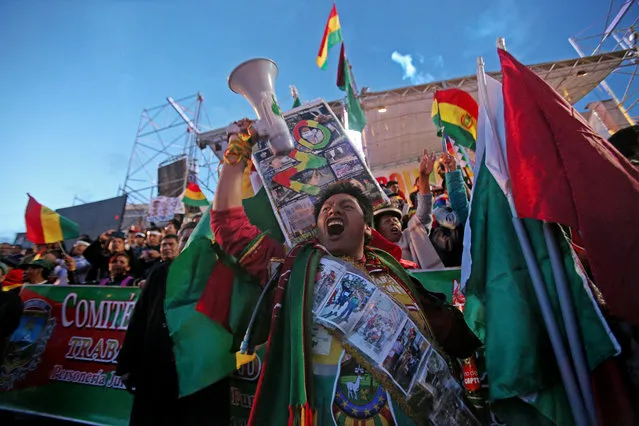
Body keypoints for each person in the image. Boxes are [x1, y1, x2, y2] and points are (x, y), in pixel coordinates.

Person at [205, 120, 481, 425]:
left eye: (346, 206)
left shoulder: (395, 274)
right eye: (326, 209)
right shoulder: (292, 268)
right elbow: (227, 226)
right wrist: (240, 148)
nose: (333, 210)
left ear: (366, 227)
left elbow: (453, 336)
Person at [116, 233, 229, 425]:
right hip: (157, 370)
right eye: (186, 238)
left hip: (201, 376)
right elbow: (141, 318)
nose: (191, 244)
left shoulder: (220, 277)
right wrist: (127, 363)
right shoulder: (160, 273)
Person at [373, 149, 444, 270]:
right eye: (387, 221)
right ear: (378, 230)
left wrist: (424, 177)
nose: (393, 222)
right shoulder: (376, 253)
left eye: (395, 220)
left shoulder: (412, 233)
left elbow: (425, 207)